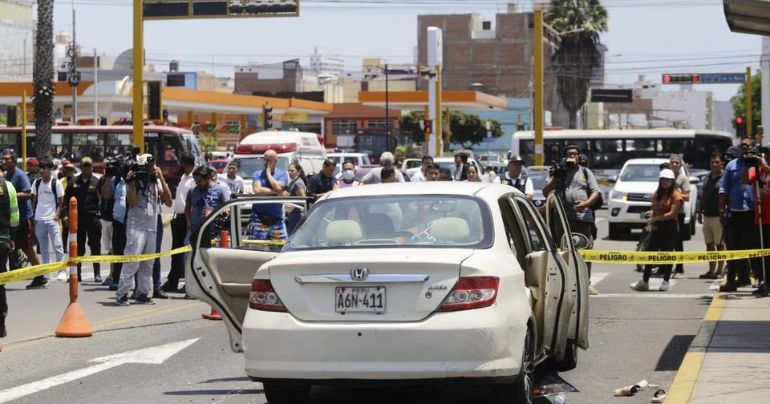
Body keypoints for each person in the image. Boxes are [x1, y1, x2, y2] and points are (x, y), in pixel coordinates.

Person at [543, 144, 601, 295]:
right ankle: (564, 282)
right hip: (561, 219)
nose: (572, 157)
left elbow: (596, 192)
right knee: (562, 250)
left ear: (579, 157)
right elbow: (545, 192)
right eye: (569, 154)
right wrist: (556, 178)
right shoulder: (556, 172)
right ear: (564, 157)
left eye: (575, 154)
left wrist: (586, 204)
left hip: (583, 218)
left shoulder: (586, 172)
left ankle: (586, 283)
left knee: (585, 250)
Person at [115, 154, 172, 306]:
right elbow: (132, 203)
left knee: (148, 263)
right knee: (132, 261)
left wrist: (161, 178)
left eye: (149, 167)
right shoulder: (133, 181)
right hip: (137, 227)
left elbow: (168, 201)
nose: (146, 170)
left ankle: (142, 292)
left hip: (151, 227)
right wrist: (131, 183)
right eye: (144, 168)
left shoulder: (155, 181)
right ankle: (122, 293)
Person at [719, 137, 762, 292]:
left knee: (755, 248)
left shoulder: (757, 164)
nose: (744, 148)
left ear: (752, 148)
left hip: (752, 213)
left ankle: (760, 281)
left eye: (747, 145)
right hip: (734, 213)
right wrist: (722, 211)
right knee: (733, 248)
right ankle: (731, 281)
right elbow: (724, 189)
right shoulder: (731, 165)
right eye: (741, 145)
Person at [630, 169, 682, 292]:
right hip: (657, 226)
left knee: (668, 254)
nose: (665, 182)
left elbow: (671, 214)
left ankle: (666, 281)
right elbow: (654, 209)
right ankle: (645, 281)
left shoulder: (676, 195)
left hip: (670, 226)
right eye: (663, 179)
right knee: (650, 253)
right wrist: (652, 222)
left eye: (667, 180)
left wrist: (656, 218)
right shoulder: (656, 194)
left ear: (672, 181)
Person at [2, 150, 43, 288]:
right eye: (3, 159)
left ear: (14, 161)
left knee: (27, 248)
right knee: (7, 247)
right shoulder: (7, 175)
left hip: (24, 219)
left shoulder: (20, 175)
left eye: (7, 159)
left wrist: (10, 194)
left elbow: (28, 194)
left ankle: (40, 276)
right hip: (12, 220)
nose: (4, 161)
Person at [62, 156, 102, 283]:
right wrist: (65, 215)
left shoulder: (96, 182)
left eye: (88, 166)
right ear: (81, 167)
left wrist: (100, 217)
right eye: (84, 166)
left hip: (93, 219)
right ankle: (77, 274)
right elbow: (65, 201)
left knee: (95, 247)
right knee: (78, 248)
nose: (86, 168)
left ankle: (97, 273)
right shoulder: (73, 181)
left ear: (91, 167)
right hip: (78, 220)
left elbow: (102, 200)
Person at [161, 153, 196, 294]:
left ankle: (187, 283)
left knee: (187, 253)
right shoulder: (184, 176)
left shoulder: (195, 178)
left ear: (184, 163)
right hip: (179, 218)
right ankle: (173, 281)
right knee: (176, 252)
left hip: (189, 218)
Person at [31, 158, 65, 281]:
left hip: (52, 219)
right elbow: (34, 201)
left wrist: (56, 216)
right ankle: (47, 271)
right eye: (40, 168)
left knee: (57, 245)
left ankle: (61, 270)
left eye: (44, 168)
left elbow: (61, 203)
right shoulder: (37, 183)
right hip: (39, 219)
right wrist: (33, 217)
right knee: (43, 248)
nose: (41, 170)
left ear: (50, 169)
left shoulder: (56, 183)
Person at [186, 166, 229, 249]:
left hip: (214, 234)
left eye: (199, 181)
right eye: (195, 181)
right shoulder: (192, 190)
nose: (197, 183)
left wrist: (223, 213)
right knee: (189, 258)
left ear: (208, 178)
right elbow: (187, 207)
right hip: (195, 232)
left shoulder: (220, 190)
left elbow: (227, 207)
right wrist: (188, 221)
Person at [698, 153, 726, 280]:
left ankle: (720, 270)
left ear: (721, 163)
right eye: (712, 162)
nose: (714, 164)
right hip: (707, 216)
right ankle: (711, 270)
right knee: (709, 245)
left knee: (719, 244)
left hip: (718, 216)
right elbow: (703, 195)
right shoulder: (707, 177)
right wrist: (699, 211)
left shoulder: (725, 177)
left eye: (716, 162)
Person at [251, 150, 288, 240]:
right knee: (256, 247)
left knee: (280, 246)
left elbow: (279, 187)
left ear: (275, 161)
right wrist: (276, 192)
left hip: (276, 217)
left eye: (269, 160)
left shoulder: (282, 174)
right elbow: (258, 190)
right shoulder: (257, 174)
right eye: (265, 160)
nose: (266, 163)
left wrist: (268, 174)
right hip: (259, 218)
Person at [0, 176, 20, 340]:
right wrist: (10, 238)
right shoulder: (8, 187)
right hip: (3, 241)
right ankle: (1, 326)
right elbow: (15, 218)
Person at [669, 154, 691, 279]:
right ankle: (664, 267)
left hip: (678, 213)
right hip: (666, 213)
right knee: (666, 241)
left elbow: (687, 197)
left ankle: (679, 268)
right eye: (673, 162)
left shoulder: (683, 179)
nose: (675, 165)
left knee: (678, 242)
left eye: (677, 163)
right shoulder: (665, 177)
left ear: (680, 165)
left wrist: (675, 196)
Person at [284, 162, 307, 235]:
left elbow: (302, 199)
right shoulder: (293, 182)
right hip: (293, 214)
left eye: (292, 170)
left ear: (298, 171)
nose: (290, 172)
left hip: (297, 214)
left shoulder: (298, 183)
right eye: (289, 171)